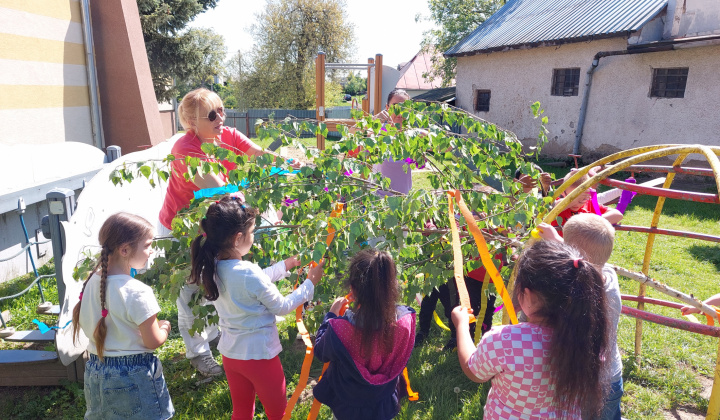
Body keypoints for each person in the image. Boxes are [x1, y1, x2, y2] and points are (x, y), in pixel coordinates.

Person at [159, 88, 300, 376]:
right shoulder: (186, 150)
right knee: (191, 288)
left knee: (221, 280)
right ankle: (199, 354)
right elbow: (222, 192)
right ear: (191, 122)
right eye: (212, 114)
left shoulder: (228, 136)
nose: (221, 117)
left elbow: (260, 155)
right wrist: (257, 206)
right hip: (185, 228)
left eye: (222, 110)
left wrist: (288, 165)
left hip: (218, 223)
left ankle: (217, 334)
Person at [189, 195, 325, 420]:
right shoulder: (247, 273)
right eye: (252, 233)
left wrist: (285, 265)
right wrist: (309, 283)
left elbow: (254, 281)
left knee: (241, 411)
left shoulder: (213, 267)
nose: (253, 238)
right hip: (260, 357)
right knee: (277, 414)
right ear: (238, 238)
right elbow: (281, 306)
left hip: (231, 356)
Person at [452, 240, 609, 419]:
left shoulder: (504, 341)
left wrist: (462, 326)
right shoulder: (589, 339)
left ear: (527, 295)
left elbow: (474, 371)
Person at [72, 213, 174, 420]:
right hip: (134, 374)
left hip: (95, 369)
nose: (151, 250)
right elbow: (153, 341)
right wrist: (165, 327)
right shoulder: (137, 291)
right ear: (125, 249)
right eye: (147, 245)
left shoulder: (92, 281)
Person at [312, 249, 416, 420]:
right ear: (392, 286)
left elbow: (320, 351)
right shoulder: (405, 322)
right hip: (384, 401)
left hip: (348, 405)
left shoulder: (340, 330)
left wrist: (331, 315)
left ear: (352, 289)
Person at [538, 214, 623, 420]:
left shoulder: (566, 291)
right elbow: (586, 261)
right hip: (610, 377)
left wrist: (553, 244)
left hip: (578, 381)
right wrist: (562, 243)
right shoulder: (610, 277)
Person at [551, 169, 623, 231]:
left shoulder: (589, 204)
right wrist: (575, 199)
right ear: (563, 192)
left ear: (588, 194)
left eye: (583, 198)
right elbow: (553, 208)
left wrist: (591, 223)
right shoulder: (558, 204)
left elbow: (618, 215)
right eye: (572, 198)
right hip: (560, 246)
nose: (577, 204)